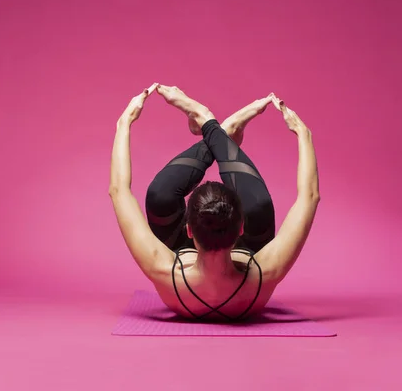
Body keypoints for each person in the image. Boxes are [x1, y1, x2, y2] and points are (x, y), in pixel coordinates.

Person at [109, 83, 320, 321]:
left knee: (160, 196)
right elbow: (309, 196)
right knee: (257, 206)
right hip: (247, 251)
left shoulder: (163, 269)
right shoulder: (265, 272)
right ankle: (215, 129)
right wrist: (303, 133)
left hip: (185, 263)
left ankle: (218, 128)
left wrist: (124, 123)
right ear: (241, 228)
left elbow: (119, 190)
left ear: (188, 230)